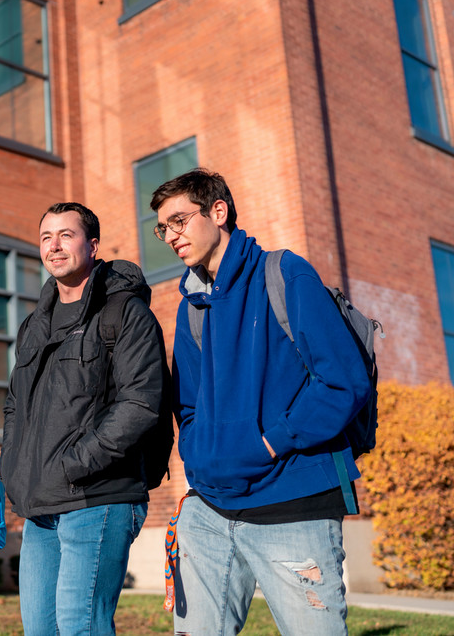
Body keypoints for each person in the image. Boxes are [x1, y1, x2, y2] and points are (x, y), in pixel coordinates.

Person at [150, 168, 371, 635]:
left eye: (180, 220)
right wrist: (202, 457)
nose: (171, 236)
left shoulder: (285, 274)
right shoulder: (190, 306)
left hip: (295, 506)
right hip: (209, 512)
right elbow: (186, 408)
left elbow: (342, 381)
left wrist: (269, 443)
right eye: (163, 228)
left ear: (218, 211)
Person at [1, 202, 171, 635]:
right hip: (41, 506)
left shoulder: (125, 313)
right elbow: (15, 404)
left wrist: (74, 463)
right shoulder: (33, 326)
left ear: (92, 245)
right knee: (41, 629)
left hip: (99, 498)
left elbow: (140, 405)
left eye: (65, 235)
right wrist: (15, 469)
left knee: (81, 627)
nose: (54, 246)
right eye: (45, 238)